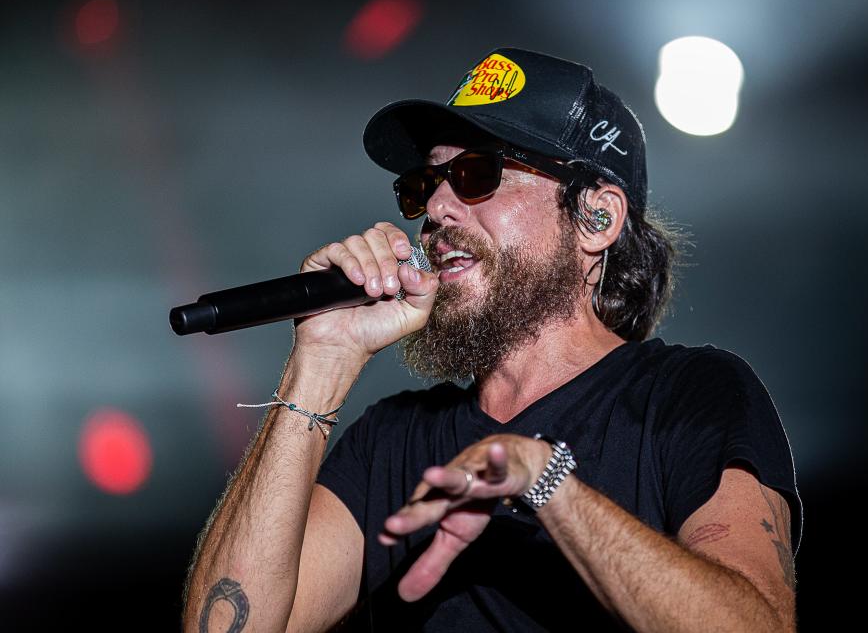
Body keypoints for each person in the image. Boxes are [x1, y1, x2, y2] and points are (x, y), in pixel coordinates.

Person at [182, 47, 803, 632]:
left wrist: (546, 482)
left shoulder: (689, 398)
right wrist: (320, 359)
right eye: (424, 187)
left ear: (596, 218)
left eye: (478, 174)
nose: (438, 210)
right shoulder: (393, 442)